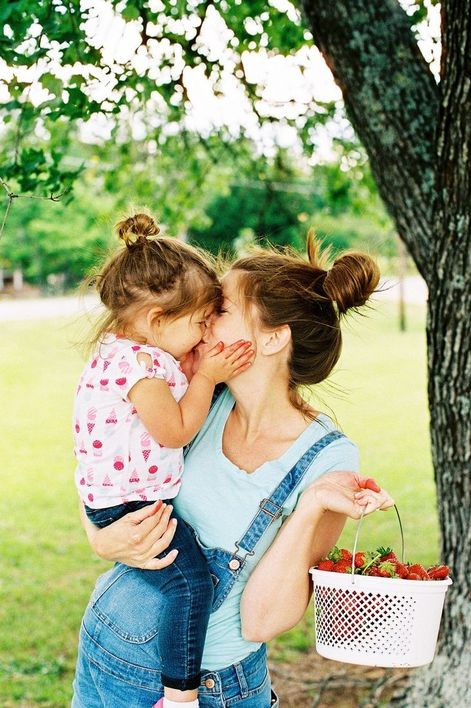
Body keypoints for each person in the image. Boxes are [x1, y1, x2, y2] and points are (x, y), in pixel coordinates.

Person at [72, 233, 394, 707]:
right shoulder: (196, 401)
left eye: (219, 309)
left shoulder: (327, 459)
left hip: (204, 688)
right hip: (101, 656)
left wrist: (309, 510)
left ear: (272, 337)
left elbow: (261, 623)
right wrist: (100, 538)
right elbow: (99, 463)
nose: (202, 321)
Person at [72, 212, 254, 708]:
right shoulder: (143, 368)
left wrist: (191, 367)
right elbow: (174, 430)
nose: (202, 336)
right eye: (198, 322)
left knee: (184, 580)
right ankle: (180, 697)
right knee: (191, 584)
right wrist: (206, 379)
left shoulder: (126, 352)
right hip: (130, 509)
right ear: (157, 321)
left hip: (117, 501)